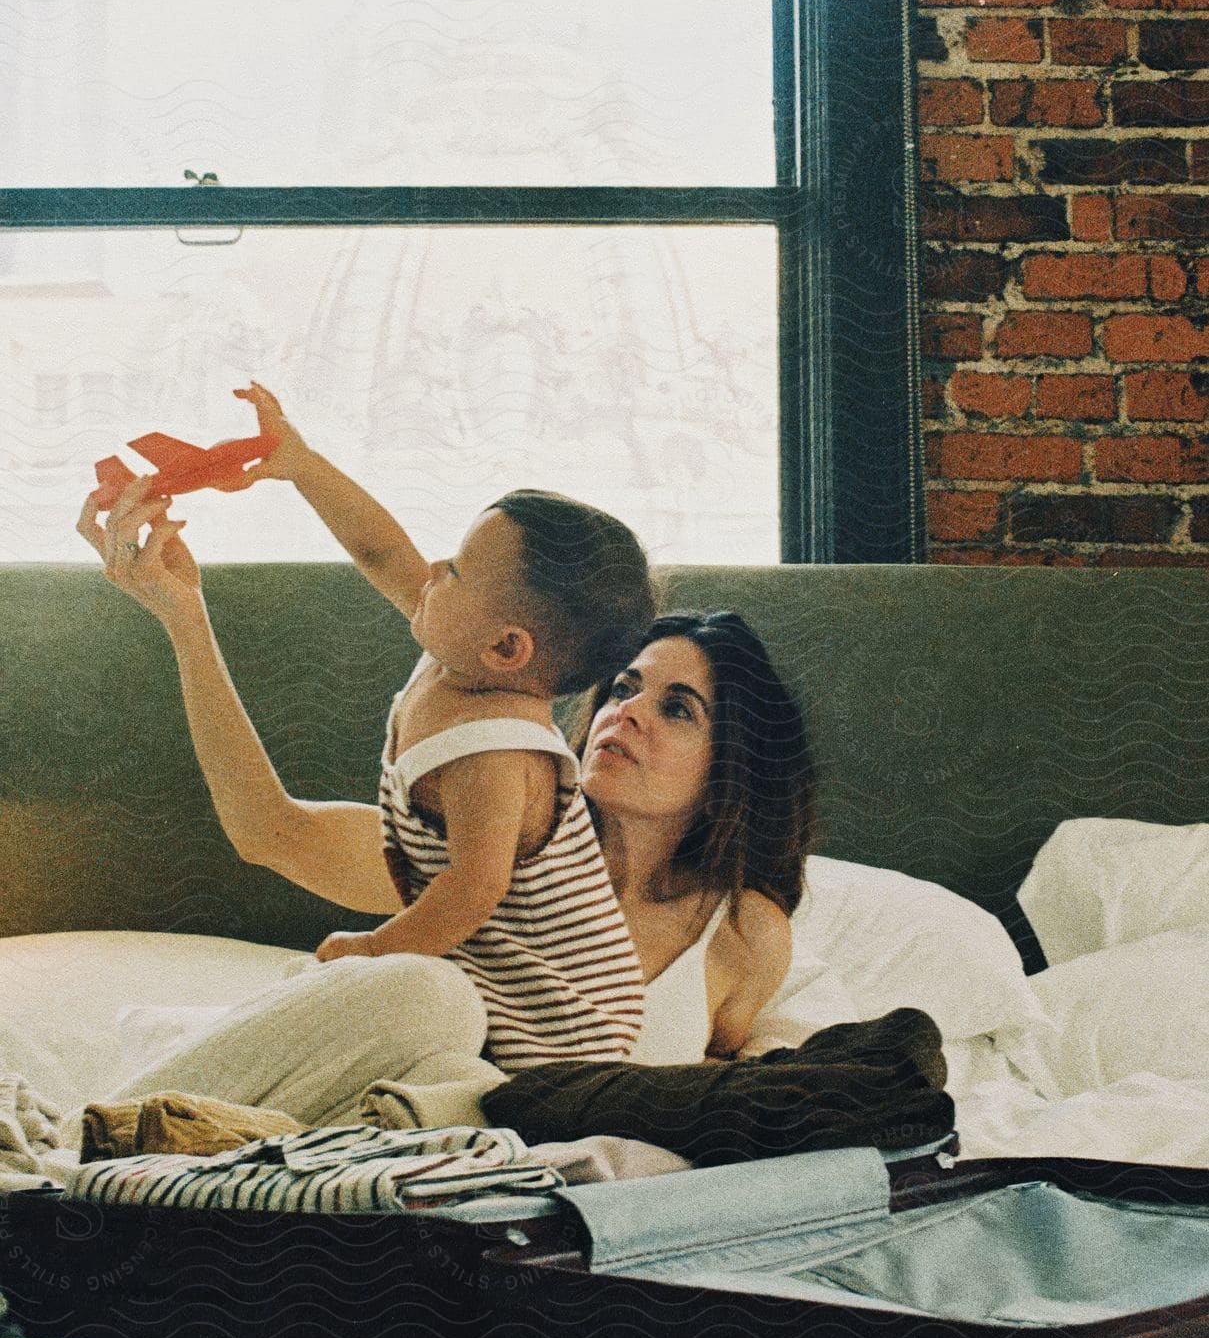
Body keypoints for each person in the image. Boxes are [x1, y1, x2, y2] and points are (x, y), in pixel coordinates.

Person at [73, 476, 815, 1128]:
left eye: (678, 709)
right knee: (432, 995)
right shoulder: (488, 823)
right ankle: (96, 1143)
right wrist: (184, 619)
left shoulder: (746, 932)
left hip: (510, 1175)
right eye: (623, 686)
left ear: (733, 766)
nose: (628, 713)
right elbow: (269, 831)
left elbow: (745, 1085)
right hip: (368, 1114)